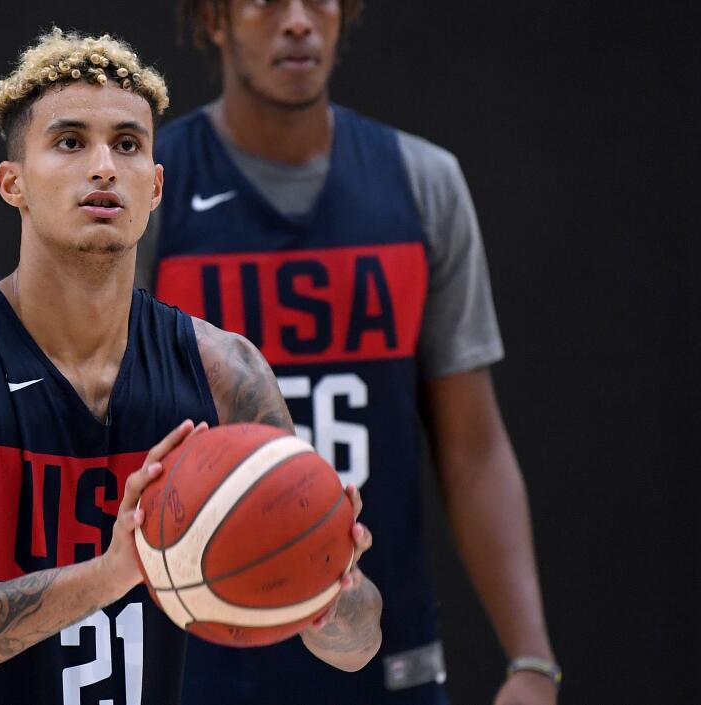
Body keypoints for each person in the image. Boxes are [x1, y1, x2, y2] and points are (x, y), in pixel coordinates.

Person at [0, 27, 381, 705]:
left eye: (127, 144)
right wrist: (112, 572)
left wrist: (330, 581)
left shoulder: (223, 371)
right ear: (13, 183)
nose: (102, 167)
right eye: (69, 142)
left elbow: (354, 647)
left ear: (154, 186)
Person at [140, 2, 560, 704]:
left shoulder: (424, 182)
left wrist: (532, 659)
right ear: (214, 19)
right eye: (268, 3)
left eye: (319, 2)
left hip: (379, 638)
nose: (299, 21)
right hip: (200, 643)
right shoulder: (151, 187)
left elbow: (473, 448)